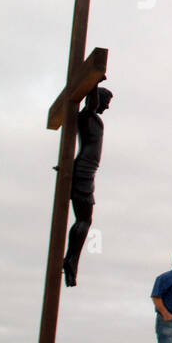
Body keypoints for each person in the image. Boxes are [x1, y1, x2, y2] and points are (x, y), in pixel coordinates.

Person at [63, 85, 113, 286]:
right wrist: (93, 78)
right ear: (97, 99)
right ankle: (71, 259)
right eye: (106, 103)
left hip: (88, 172)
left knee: (85, 219)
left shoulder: (91, 117)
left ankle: (72, 259)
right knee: (84, 219)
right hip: (83, 172)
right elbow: (91, 102)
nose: (107, 107)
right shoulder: (87, 114)